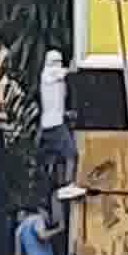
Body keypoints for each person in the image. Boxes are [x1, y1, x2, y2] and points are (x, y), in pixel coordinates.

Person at [38, 50, 83, 203]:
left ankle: (56, 189)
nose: (58, 64)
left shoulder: (51, 77)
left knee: (57, 160)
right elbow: (71, 71)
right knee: (71, 154)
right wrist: (78, 56)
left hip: (51, 124)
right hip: (55, 124)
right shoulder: (49, 73)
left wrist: (66, 114)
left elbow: (54, 102)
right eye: (56, 61)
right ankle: (68, 185)